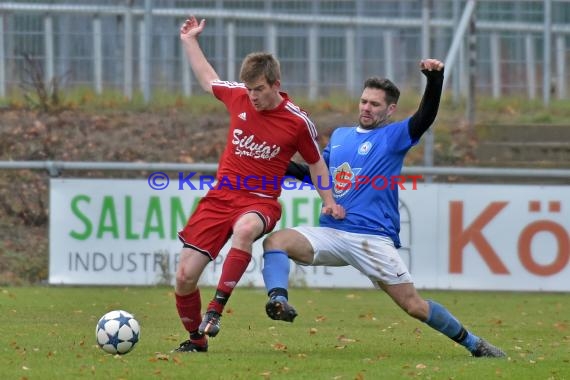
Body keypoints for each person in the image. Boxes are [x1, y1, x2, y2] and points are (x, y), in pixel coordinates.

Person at [262, 59, 507, 358]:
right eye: (364, 101)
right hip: (333, 232)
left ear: (390, 110)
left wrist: (434, 80)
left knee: (414, 306)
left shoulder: (393, 137)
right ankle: (278, 301)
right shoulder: (340, 136)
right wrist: (279, 164)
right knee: (275, 241)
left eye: (375, 105)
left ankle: (475, 344)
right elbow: (319, 173)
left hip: (371, 238)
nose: (366, 108)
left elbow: (424, 117)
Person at [173, 16, 344, 353]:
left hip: (260, 200)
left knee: (246, 229)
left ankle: (216, 310)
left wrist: (329, 199)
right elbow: (209, 80)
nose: (252, 96)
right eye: (249, 89)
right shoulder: (238, 97)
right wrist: (189, 41)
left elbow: (315, 162)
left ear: (276, 84)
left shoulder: (297, 120)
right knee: (183, 278)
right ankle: (197, 339)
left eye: (260, 89)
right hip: (220, 197)